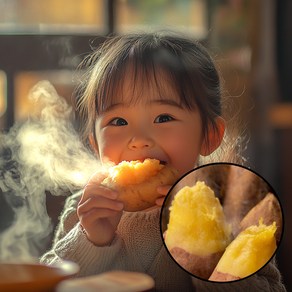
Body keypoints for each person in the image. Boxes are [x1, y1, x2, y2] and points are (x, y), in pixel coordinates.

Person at [40, 32, 286, 291]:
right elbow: (46, 283)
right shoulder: (86, 210)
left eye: (163, 117)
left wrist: (204, 243)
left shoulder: (233, 212)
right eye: (119, 121)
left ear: (209, 136)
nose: (139, 139)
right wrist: (90, 241)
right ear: (95, 144)